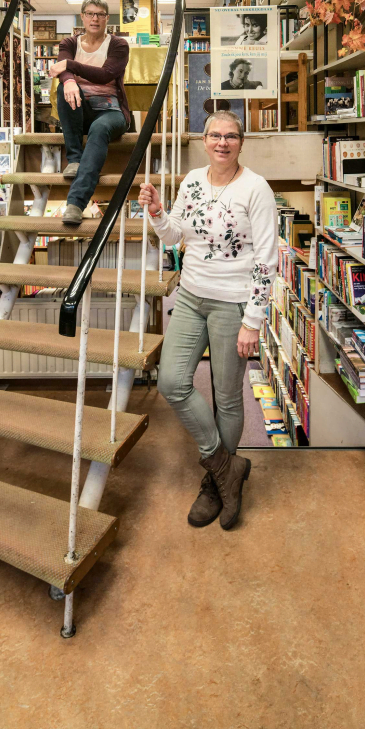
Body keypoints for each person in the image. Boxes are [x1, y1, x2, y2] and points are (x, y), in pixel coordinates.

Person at [138, 111, 277, 530]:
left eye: (230, 136)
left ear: (241, 142)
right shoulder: (193, 181)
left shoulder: (256, 188)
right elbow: (174, 235)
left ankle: (217, 486)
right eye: (215, 135)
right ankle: (224, 468)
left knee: (227, 397)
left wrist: (252, 321)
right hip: (191, 296)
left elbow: (266, 260)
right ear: (204, 140)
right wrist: (158, 213)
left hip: (233, 305)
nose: (222, 142)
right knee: (172, 381)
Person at [50, 0, 131, 225]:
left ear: (107, 18)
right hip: (80, 109)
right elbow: (62, 72)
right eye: (90, 13)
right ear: (82, 17)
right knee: (65, 88)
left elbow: (105, 75)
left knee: (100, 128)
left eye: (100, 14)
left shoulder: (118, 45)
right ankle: (74, 158)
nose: (95, 18)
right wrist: (68, 79)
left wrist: (69, 66)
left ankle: (75, 203)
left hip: (110, 111)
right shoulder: (69, 43)